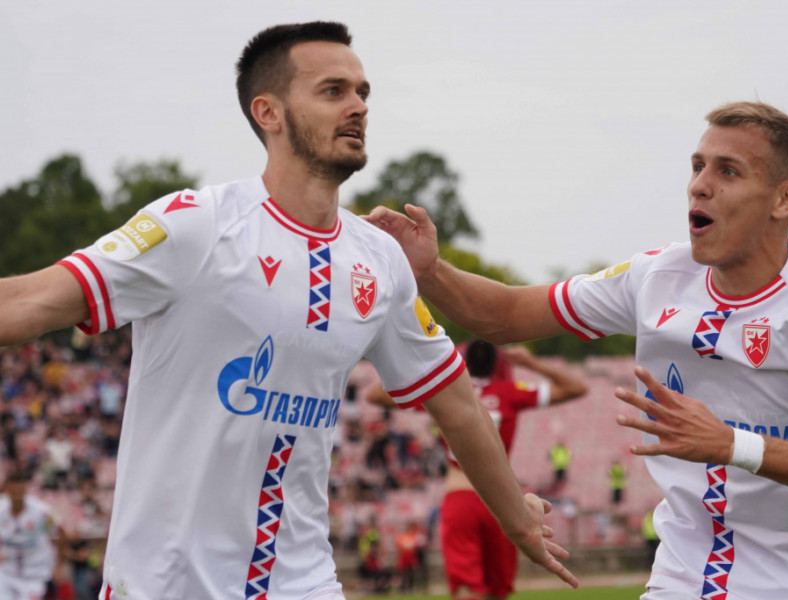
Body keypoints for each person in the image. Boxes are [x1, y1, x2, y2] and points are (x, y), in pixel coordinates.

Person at [0, 22, 576, 600]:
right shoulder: (196, 225)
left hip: (304, 582)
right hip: (167, 586)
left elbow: (458, 406)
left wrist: (516, 517)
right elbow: (28, 301)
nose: (357, 107)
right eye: (333, 91)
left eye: (362, 92)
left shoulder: (380, 260)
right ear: (268, 112)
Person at [365, 101, 788, 599]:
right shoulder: (657, 277)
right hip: (681, 579)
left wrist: (732, 444)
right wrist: (430, 270)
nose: (699, 186)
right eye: (698, 166)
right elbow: (506, 315)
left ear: (785, 198)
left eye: (727, 171)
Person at [367, 340, 587, 600]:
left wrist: (426, 360)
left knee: (466, 591)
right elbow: (576, 388)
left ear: (465, 362)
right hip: (503, 499)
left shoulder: (444, 391)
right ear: (497, 365)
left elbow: (375, 395)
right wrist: (530, 362)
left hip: (460, 495)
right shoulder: (509, 391)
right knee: (498, 591)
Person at [0, 469, 68, 600]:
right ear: (7, 489)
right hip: (6, 572)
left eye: (19, 489)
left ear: (25, 489)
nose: (16, 494)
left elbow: (62, 532)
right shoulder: (1, 509)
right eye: (13, 490)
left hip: (34, 574)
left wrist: (60, 564)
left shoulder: (40, 511)